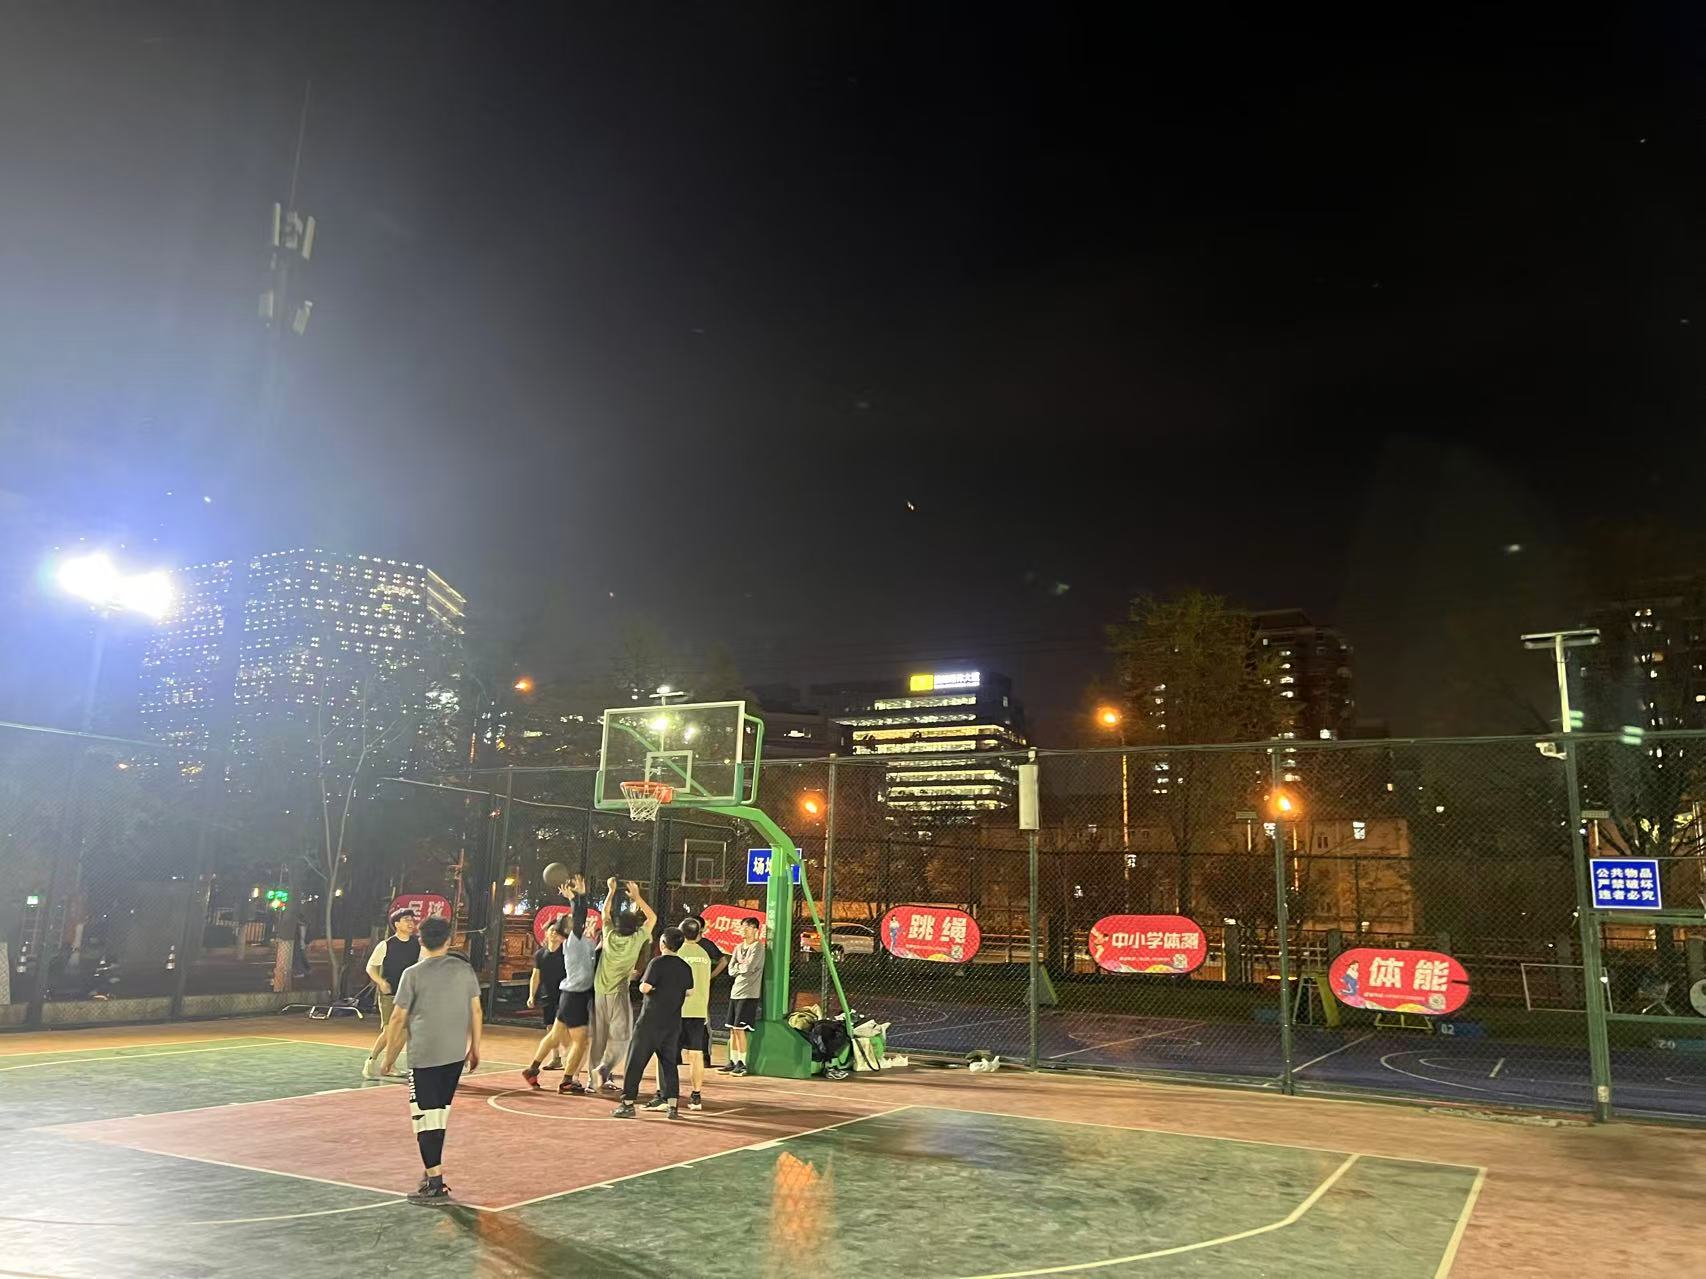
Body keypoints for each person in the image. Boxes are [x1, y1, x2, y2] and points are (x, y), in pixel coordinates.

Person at [380, 916, 482, 1204]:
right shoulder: (464, 970)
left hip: (425, 1055)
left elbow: (397, 1018)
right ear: (449, 940)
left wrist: (388, 1057)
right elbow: (476, 1010)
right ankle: (430, 1171)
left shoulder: (412, 974)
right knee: (439, 1115)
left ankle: (435, 1183)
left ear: (421, 941)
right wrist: (475, 1047)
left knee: (425, 1119)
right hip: (454, 1054)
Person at [522, 885, 599, 1094]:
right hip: (575, 996)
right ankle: (567, 1081)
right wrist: (577, 897)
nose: (577, 920)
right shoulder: (573, 941)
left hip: (569, 995)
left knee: (555, 1035)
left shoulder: (583, 940)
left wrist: (579, 896)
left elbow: (581, 916)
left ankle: (532, 1069)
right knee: (581, 1042)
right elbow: (580, 914)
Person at [612, 926, 693, 1119]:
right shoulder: (685, 966)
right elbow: (690, 991)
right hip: (672, 1024)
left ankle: (628, 1103)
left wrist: (644, 985)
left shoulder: (657, 963)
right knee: (669, 1065)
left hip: (650, 1022)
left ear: (663, 943)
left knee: (635, 1061)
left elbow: (645, 987)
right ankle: (672, 1106)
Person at [588, 878, 656, 1093]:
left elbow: (605, 914)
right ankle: (604, 1069)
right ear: (634, 927)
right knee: (622, 1037)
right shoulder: (636, 939)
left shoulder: (609, 935)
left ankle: (593, 1080)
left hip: (599, 991)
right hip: (618, 993)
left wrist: (611, 891)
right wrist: (637, 897)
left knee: (599, 1037)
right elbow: (652, 917)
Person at [673, 916, 725, 1110]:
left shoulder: (678, 953)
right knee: (696, 1055)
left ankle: (667, 1095)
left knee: (668, 1054)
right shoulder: (704, 954)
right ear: (698, 934)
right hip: (699, 1011)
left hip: (678, 1010)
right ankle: (696, 1096)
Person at [362, 908, 421, 1080]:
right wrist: (380, 982)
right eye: (406, 920)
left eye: (412, 920)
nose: (411, 923)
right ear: (396, 924)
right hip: (390, 993)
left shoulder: (417, 944)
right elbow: (370, 967)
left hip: (409, 993)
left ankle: (389, 1065)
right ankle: (371, 1060)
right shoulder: (386, 945)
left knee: (404, 1032)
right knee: (390, 1031)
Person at [723, 916, 765, 1076]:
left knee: (740, 1029)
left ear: (755, 930)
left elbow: (750, 967)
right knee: (732, 1029)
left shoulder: (758, 947)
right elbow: (730, 969)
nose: (744, 930)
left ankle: (743, 1063)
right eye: (742, 927)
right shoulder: (738, 947)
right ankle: (733, 1061)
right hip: (735, 992)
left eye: (748, 927)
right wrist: (740, 968)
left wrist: (740, 968)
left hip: (749, 994)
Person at [525, 916, 568, 1071]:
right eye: (551, 931)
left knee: (563, 1027)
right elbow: (535, 976)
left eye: (557, 931)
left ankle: (570, 1057)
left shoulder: (566, 953)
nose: (554, 933)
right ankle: (556, 1058)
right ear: (546, 933)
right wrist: (531, 995)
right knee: (550, 1026)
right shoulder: (540, 954)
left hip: (564, 994)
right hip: (547, 994)